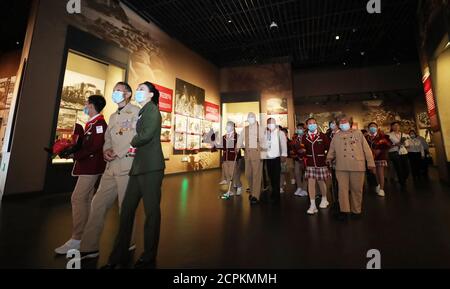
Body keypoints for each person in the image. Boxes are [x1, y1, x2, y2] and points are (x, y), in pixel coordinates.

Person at [103, 82, 165, 269]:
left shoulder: (152, 110)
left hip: (151, 168)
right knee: (126, 212)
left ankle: (149, 255)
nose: (138, 92)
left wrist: (129, 142)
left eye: (142, 90)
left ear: (151, 95)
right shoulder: (141, 112)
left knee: (151, 213)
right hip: (138, 167)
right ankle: (117, 256)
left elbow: (145, 135)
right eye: (137, 89)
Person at [78, 82, 140, 259]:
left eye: (118, 91)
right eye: (114, 91)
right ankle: (89, 246)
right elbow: (107, 139)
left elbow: (139, 137)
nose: (115, 94)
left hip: (127, 166)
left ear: (127, 94)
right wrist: (106, 151)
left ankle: (128, 242)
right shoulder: (112, 117)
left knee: (125, 207)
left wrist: (118, 151)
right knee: (97, 204)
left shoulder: (136, 112)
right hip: (110, 167)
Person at [55, 95, 107, 254]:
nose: (84, 106)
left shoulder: (99, 124)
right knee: (86, 199)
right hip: (86, 166)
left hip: (91, 168)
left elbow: (94, 147)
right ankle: (85, 237)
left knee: (77, 198)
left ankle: (76, 238)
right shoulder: (91, 124)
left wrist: (74, 155)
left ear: (91, 106)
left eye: (86, 103)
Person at [327, 116, 375, 221]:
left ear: (350, 123)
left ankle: (356, 211)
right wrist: (329, 159)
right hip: (341, 166)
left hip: (357, 165)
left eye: (345, 121)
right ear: (339, 124)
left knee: (357, 189)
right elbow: (332, 150)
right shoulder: (336, 136)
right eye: (341, 122)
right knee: (342, 190)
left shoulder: (358, 133)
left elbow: (366, 149)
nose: (343, 123)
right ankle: (344, 211)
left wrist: (370, 162)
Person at [302, 118, 330, 215]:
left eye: (314, 123)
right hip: (310, 163)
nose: (312, 125)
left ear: (316, 125)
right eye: (310, 123)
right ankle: (312, 204)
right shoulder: (304, 137)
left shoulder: (322, 136)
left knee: (321, 182)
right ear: (306, 125)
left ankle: (324, 198)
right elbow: (302, 149)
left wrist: (327, 158)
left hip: (321, 162)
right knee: (311, 183)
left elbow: (328, 148)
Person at [237, 113, 264, 205]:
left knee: (257, 175)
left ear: (255, 118)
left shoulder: (260, 128)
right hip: (248, 155)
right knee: (248, 174)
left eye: (252, 117)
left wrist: (263, 155)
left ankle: (256, 195)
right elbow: (240, 139)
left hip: (257, 154)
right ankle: (252, 191)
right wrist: (237, 146)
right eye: (249, 118)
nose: (250, 119)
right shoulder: (245, 129)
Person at [261, 118, 288, 204]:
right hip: (268, 158)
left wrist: (284, 154)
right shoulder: (266, 133)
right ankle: (273, 192)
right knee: (270, 176)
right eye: (268, 123)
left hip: (277, 158)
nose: (270, 124)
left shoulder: (280, 133)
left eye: (271, 122)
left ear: (275, 123)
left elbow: (284, 144)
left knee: (276, 177)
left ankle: (276, 195)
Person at [216, 121, 242, 198]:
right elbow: (221, 146)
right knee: (227, 174)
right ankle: (230, 190)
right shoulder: (223, 137)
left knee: (233, 174)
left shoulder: (237, 136)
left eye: (228, 126)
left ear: (232, 127)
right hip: (225, 158)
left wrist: (238, 147)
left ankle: (239, 186)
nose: (226, 127)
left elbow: (240, 146)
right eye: (226, 126)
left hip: (233, 158)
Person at [366, 122, 392, 197]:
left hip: (380, 157)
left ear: (377, 128)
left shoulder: (381, 135)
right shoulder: (367, 137)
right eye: (371, 126)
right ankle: (377, 185)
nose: (372, 128)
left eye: (374, 126)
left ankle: (382, 189)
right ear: (368, 128)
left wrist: (379, 150)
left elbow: (387, 144)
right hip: (371, 158)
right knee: (374, 173)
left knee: (380, 173)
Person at [387, 121, 410, 190]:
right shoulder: (389, 135)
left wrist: (405, 144)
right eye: (394, 125)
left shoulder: (404, 135)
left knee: (407, 169)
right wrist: (395, 144)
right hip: (394, 153)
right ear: (391, 127)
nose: (396, 127)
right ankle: (402, 183)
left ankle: (403, 179)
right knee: (399, 168)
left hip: (404, 152)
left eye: (397, 125)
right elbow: (387, 145)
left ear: (399, 127)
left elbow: (407, 145)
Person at [289, 123, 308, 197]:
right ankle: (299, 187)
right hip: (297, 158)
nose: (299, 130)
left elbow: (309, 147)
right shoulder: (295, 137)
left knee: (305, 174)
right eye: (298, 128)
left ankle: (304, 189)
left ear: (304, 129)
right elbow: (292, 146)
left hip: (305, 159)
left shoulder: (306, 136)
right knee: (297, 173)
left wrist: (304, 150)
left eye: (301, 128)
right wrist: (293, 152)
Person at [279, 127, 290, 194]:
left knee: (282, 172)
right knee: (278, 173)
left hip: (283, 158)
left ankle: (281, 186)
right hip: (276, 158)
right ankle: (279, 185)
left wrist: (284, 156)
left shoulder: (286, 140)